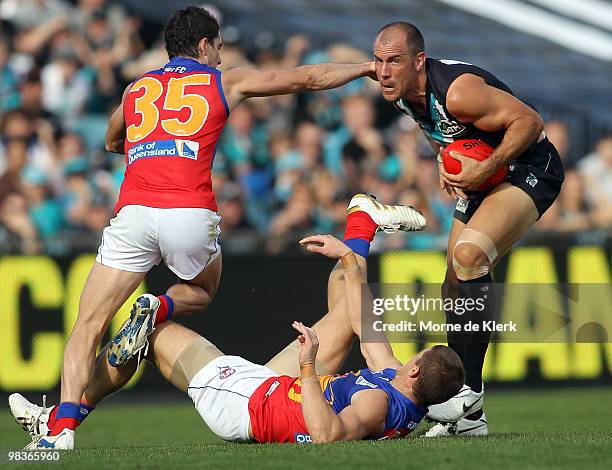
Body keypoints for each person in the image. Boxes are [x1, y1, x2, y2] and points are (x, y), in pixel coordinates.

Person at [45, 5, 379, 449]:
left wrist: (150, 145)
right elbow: (304, 78)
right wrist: (363, 68)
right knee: (200, 292)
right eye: (218, 48)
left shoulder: (136, 88)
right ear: (203, 46)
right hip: (189, 212)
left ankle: (61, 430)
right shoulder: (224, 81)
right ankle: (160, 308)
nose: (220, 57)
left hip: (134, 212)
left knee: (88, 324)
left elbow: (111, 140)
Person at [10, 195, 463, 446]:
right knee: (347, 313)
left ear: (417, 369)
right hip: (271, 386)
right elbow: (367, 326)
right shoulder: (395, 384)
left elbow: (326, 435)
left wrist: (308, 364)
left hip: (243, 404)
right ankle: (361, 225)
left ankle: (61, 420)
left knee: (151, 334)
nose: (408, 355)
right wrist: (350, 256)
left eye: (416, 355)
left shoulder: (379, 405)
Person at [371, 22, 564, 436]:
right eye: (378, 61)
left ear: (418, 61)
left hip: (528, 167)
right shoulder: (402, 96)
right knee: (452, 284)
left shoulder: (458, 91)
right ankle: (471, 420)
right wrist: (447, 162)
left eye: (393, 61)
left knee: (470, 257)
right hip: (485, 175)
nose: (383, 71)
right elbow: (440, 135)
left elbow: (530, 122)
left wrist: (486, 167)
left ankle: (468, 390)